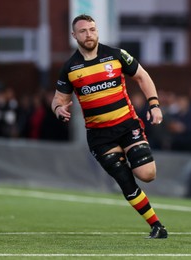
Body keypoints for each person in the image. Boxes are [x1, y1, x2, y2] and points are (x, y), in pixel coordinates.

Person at [51, 14, 167, 239]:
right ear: (74, 35)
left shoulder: (116, 55)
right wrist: (58, 109)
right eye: (83, 31)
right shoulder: (70, 68)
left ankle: (135, 156)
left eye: (92, 29)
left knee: (147, 173)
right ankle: (157, 226)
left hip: (126, 125)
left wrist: (154, 105)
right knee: (125, 181)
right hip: (99, 137)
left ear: (97, 31)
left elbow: (143, 77)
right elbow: (58, 99)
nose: (89, 34)